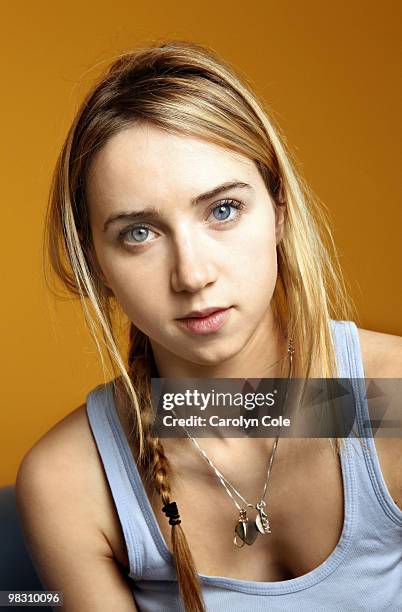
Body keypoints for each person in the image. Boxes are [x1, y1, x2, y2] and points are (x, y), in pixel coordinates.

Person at [15, 39, 401, 612]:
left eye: (223, 209)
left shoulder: (388, 399)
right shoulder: (72, 481)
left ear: (279, 211)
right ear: (97, 264)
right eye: (139, 233)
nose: (192, 275)